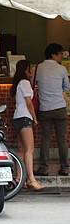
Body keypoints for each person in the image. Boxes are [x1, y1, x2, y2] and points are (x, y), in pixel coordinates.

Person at [35, 43, 70, 176]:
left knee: (46, 138)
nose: (62, 56)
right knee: (62, 138)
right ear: (53, 54)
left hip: (45, 109)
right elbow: (67, 87)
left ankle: (43, 168)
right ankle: (64, 168)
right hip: (59, 107)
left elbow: (35, 84)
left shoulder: (39, 68)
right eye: (60, 54)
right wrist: (58, 90)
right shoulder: (61, 69)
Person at [10, 60, 43, 191]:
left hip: (17, 118)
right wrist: (35, 119)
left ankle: (19, 179)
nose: (31, 72)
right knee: (29, 149)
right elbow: (29, 103)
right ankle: (31, 179)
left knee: (22, 150)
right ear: (26, 70)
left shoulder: (18, 83)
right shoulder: (25, 83)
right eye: (30, 69)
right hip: (25, 118)